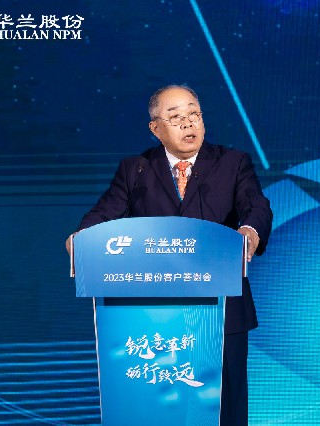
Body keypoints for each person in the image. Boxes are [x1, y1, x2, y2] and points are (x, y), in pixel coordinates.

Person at [65, 84, 272, 425]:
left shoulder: (233, 162)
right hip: (155, 315)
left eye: (194, 114)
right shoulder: (136, 169)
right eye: (176, 117)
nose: (188, 123)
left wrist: (250, 231)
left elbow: (256, 206)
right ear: (155, 128)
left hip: (222, 311)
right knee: (162, 409)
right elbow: (103, 214)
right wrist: (82, 238)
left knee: (226, 410)